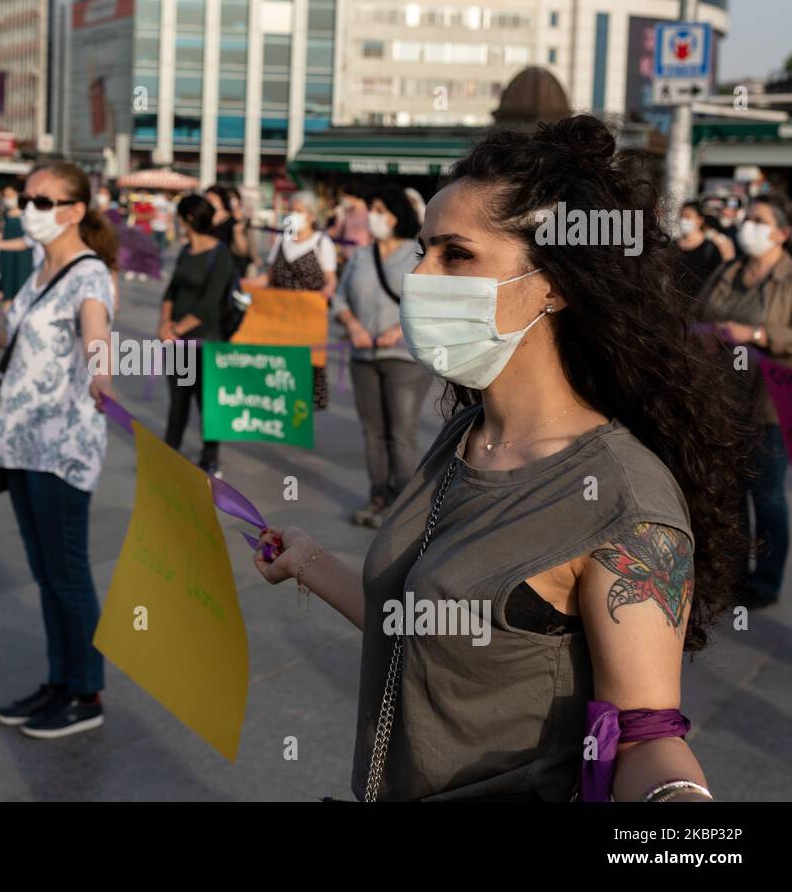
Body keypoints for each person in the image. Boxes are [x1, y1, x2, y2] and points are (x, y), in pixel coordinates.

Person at [252, 115, 747, 802]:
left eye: (456, 254)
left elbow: (647, 733)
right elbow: (429, 623)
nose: (418, 275)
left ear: (554, 283)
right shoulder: (462, 437)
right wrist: (307, 559)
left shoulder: (624, 499)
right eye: (424, 249)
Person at [0, 160, 117, 739]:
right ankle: (58, 679)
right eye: (27, 197)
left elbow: (95, 331)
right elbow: (34, 342)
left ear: (73, 211)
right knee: (44, 571)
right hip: (20, 442)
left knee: (67, 573)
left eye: (43, 200)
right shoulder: (42, 270)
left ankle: (86, 690)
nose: (29, 207)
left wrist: (101, 371)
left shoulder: (89, 275)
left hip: (62, 448)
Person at [698, 193, 792, 609]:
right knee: (728, 493)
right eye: (747, 219)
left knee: (767, 494)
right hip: (722, 400)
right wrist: (704, 331)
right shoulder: (730, 270)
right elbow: (698, 314)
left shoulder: (789, 280)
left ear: (782, 233)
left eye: (759, 220)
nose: (747, 227)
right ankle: (730, 574)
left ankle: (766, 583)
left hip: (770, 402)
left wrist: (755, 335)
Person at [334, 182, 432, 528]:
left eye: (379, 211)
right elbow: (340, 298)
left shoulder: (417, 254)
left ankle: (403, 505)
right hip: (363, 356)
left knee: (400, 433)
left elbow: (430, 303)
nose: (373, 218)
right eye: (371, 211)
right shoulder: (361, 254)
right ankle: (378, 496)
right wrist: (353, 326)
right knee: (372, 431)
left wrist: (400, 331)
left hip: (405, 358)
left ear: (395, 216)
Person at [161, 194, 237, 477]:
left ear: (189, 219)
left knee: (208, 403)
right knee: (177, 402)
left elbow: (210, 302)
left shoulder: (220, 254)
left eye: (180, 217)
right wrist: (164, 322)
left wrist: (176, 330)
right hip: (177, 342)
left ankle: (210, 458)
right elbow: (172, 289)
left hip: (206, 341)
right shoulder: (185, 250)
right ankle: (169, 453)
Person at [244, 189, 338, 410]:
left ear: (311, 216)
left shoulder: (322, 243)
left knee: (303, 371)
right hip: (278, 320)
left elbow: (331, 279)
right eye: (291, 210)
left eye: (299, 211)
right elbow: (267, 278)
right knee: (279, 370)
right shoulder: (281, 240)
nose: (293, 215)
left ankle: (298, 420)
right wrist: (242, 283)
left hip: (307, 321)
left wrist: (328, 291)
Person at [674, 199, 734, 298]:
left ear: (699, 220)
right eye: (681, 216)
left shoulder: (711, 248)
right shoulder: (672, 246)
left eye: (688, 216)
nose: (683, 220)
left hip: (700, 305)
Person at [0, 184, 34, 306]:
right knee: (8, 282)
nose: (8, 198)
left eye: (10, 195)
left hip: (23, 257)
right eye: (5, 196)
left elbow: (27, 241)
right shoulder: (1, 213)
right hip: (6, 255)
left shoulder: (27, 214)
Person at [328, 179, 373, 262]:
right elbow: (336, 234)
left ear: (353, 196)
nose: (342, 199)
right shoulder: (345, 213)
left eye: (344, 196)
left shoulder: (370, 214)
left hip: (363, 259)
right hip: (346, 258)